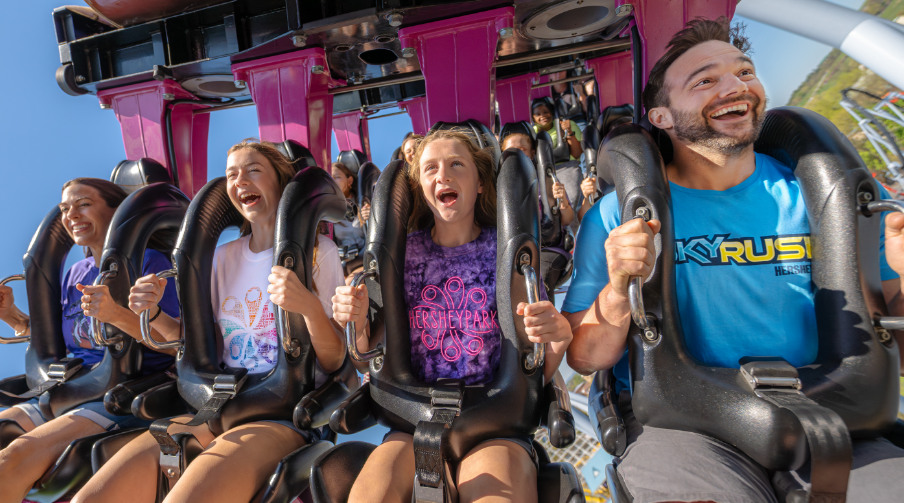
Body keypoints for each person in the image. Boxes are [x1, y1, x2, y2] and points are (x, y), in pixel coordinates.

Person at [563, 18, 904, 503]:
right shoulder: (617, 215)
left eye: (744, 73)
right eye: (705, 80)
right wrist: (619, 288)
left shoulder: (818, 197)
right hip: (686, 425)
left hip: (830, 409)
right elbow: (586, 356)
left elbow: (896, 347)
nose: (734, 87)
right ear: (662, 117)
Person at [72, 139, 347, 503]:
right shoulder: (222, 259)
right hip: (218, 405)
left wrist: (309, 306)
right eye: (232, 174)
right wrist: (152, 313)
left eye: (253, 171)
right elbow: (192, 345)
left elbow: (334, 359)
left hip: (283, 412)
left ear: (281, 183)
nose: (240, 181)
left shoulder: (318, 253)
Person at [332, 130, 574, 503]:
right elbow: (369, 352)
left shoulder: (506, 252)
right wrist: (357, 318)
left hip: (492, 418)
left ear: (479, 183)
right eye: (430, 168)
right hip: (413, 417)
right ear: (421, 186)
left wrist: (558, 336)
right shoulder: (403, 255)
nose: (442, 175)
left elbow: (535, 365)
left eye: (456, 164)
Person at [0, 178, 179, 503]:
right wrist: (11, 315)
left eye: (83, 204)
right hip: (69, 387)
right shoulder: (76, 273)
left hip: (120, 392)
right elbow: (59, 337)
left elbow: (173, 343)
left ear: (117, 212)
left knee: (13, 460)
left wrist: (116, 314)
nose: (72, 215)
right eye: (66, 209)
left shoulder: (150, 263)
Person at [501, 132, 574, 227]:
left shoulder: (545, 179)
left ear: (532, 154)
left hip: (547, 236)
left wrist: (563, 201)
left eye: (522, 149)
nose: (517, 154)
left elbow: (567, 220)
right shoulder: (499, 183)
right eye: (510, 150)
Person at [531, 99, 584, 228]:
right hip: (544, 173)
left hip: (567, 167)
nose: (542, 116)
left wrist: (569, 132)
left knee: (571, 201)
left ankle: (575, 234)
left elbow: (577, 153)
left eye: (546, 112)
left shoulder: (565, 124)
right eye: (538, 114)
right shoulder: (532, 132)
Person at [330, 161, 366, 253]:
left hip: (365, 255)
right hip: (343, 260)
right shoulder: (327, 211)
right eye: (329, 178)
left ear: (349, 181)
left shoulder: (363, 203)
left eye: (337, 177)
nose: (332, 181)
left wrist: (372, 217)